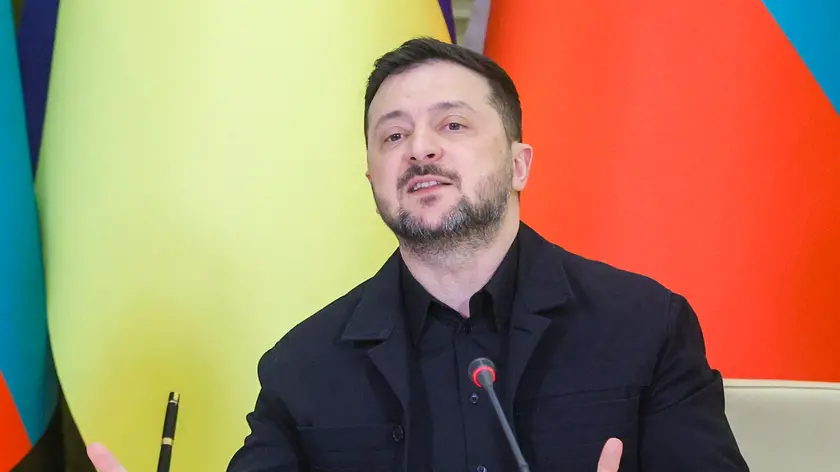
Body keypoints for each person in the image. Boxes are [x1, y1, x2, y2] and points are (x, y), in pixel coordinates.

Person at [87, 37, 750, 472]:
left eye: (452, 124)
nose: (420, 148)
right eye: (393, 135)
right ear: (372, 178)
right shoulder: (302, 367)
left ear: (519, 164)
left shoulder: (644, 327)